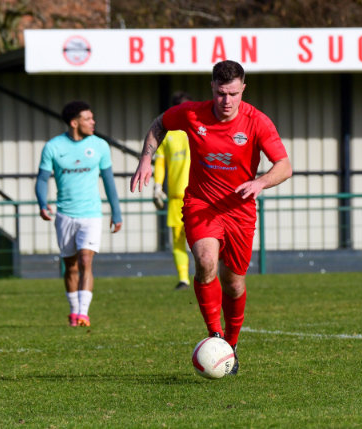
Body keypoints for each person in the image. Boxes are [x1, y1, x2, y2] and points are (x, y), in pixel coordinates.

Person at [131, 60, 292, 375]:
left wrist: (260, 182)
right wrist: (146, 159)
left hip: (239, 210)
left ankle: (231, 344)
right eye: (221, 93)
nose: (227, 101)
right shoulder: (192, 113)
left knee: (234, 282)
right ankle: (214, 334)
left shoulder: (257, 122)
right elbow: (160, 123)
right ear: (212, 88)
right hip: (200, 204)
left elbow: (284, 166)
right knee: (205, 262)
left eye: (233, 93)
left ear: (243, 89)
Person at [36, 100, 122, 327]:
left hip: (91, 214)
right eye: (88, 119)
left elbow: (109, 181)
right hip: (65, 214)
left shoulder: (100, 146)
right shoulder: (53, 147)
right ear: (74, 123)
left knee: (86, 260)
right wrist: (42, 204)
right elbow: (42, 179)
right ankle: (74, 312)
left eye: (92, 118)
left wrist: (116, 212)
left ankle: (84, 313)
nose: (93, 122)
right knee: (71, 266)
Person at [153, 91, 193, 291]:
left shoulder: (200, 131)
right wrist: (157, 186)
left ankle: (208, 275)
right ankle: (184, 279)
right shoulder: (167, 135)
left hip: (200, 196)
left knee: (204, 240)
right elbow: (160, 163)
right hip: (177, 198)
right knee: (178, 241)